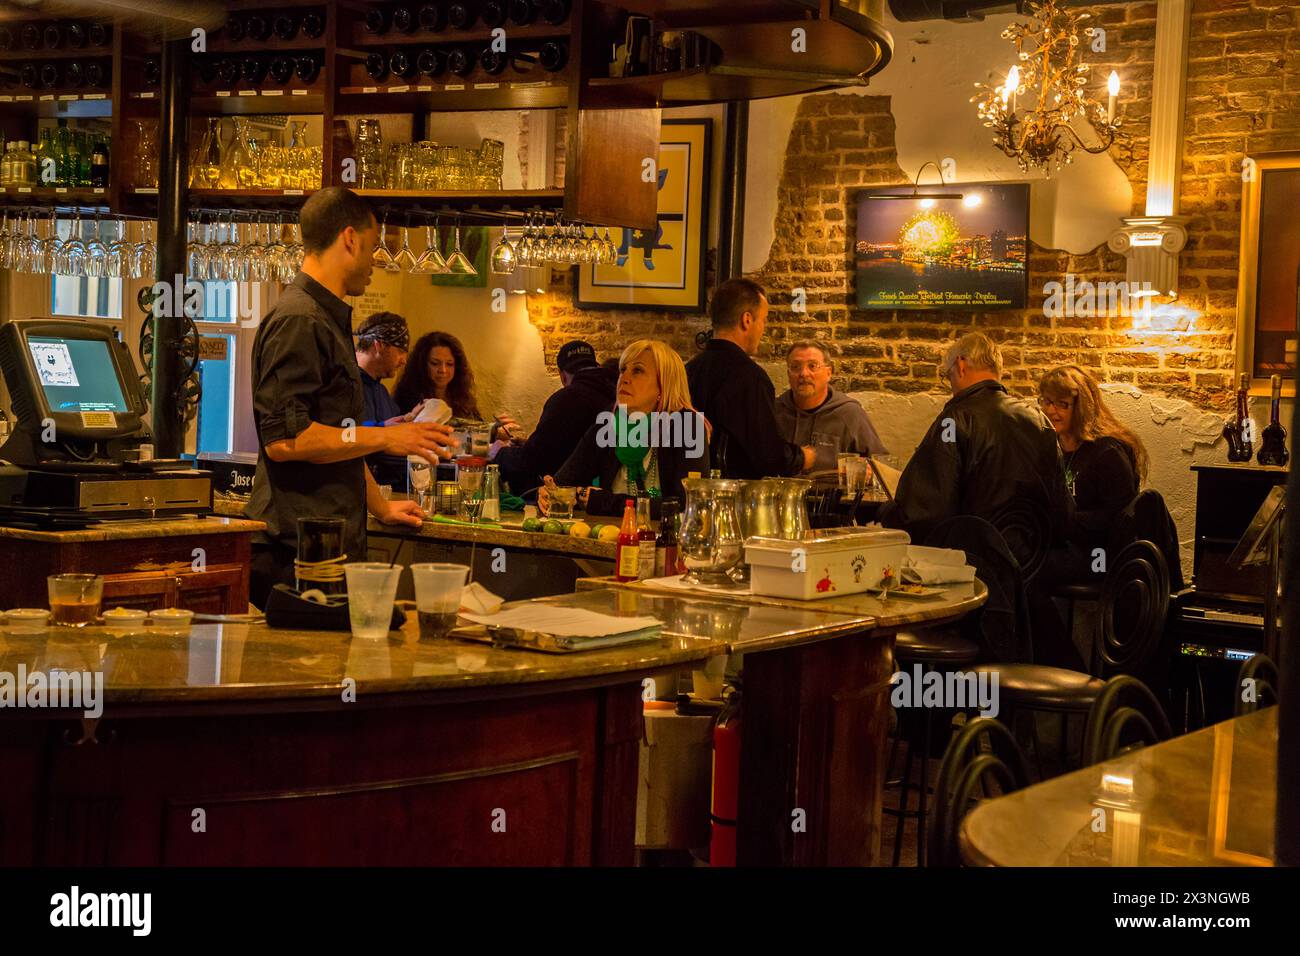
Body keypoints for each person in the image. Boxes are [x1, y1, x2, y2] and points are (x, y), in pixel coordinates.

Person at [245, 187, 454, 608]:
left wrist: (380, 506)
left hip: (329, 545)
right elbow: (287, 441)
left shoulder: (327, 317)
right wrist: (387, 438)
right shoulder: (300, 320)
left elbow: (339, 437)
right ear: (350, 239)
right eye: (374, 246)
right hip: (296, 552)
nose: (375, 261)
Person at [877, 331, 1069, 545]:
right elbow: (1064, 511)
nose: (950, 386)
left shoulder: (954, 421)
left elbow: (923, 515)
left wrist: (886, 511)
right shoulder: (1039, 420)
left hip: (972, 563)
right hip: (1035, 565)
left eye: (947, 376)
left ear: (960, 365)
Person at [545, 340, 708, 518]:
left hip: (665, 540)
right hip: (612, 536)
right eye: (623, 370)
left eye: (637, 371)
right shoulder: (609, 423)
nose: (624, 378)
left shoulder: (688, 426)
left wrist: (604, 502)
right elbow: (563, 482)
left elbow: (688, 504)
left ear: (663, 385)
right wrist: (550, 494)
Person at [685, 277, 814, 479]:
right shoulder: (749, 378)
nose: (763, 328)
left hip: (688, 493)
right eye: (763, 320)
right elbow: (769, 458)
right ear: (747, 320)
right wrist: (802, 457)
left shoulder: (688, 370)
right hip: (729, 500)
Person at [490, 339, 618, 495]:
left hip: (565, 498)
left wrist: (500, 452)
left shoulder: (566, 399)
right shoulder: (616, 397)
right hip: (605, 496)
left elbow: (532, 460)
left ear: (562, 376)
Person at [774, 339, 888, 473]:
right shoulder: (773, 412)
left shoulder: (849, 413)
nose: (804, 374)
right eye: (795, 367)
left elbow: (882, 467)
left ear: (828, 373)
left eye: (813, 366)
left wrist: (866, 471)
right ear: (788, 374)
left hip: (832, 493)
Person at [354, 311, 413, 488]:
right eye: (401, 351)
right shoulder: (346, 385)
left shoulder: (380, 390)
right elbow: (344, 433)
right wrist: (382, 429)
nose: (404, 361)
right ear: (379, 345)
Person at [393, 331, 483, 420]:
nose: (443, 370)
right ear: (422, 365)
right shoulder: (406, 399)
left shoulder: (463, 399)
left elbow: (479, 427)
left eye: (449, 364)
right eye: (435, 363)